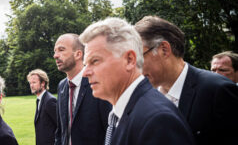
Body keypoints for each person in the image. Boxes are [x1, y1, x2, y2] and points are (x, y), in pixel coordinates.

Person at [79, 17, 194, 145]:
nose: (85, 73)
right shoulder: (126, 112)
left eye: (94, 61)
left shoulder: (157, 120)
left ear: (129, 60)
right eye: (85, 64)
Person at [135, 16, 238, 145]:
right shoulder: (143, 97)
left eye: (138, 57)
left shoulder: (218, 90)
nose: (134, 66)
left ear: (164, 49)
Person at [53, 33, 111, 145]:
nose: (55, 55)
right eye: (55, 51)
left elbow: (110, 130)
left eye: (61, 50)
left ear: (78, 54)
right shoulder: (62, 86)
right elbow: (60, 130)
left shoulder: (98, 82)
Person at [27, 69, 57, 145]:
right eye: (30, 83)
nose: (31, 85)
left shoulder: (50, 101)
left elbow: (61, 127)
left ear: (43, 83)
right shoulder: (39, 99)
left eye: (34, 82)